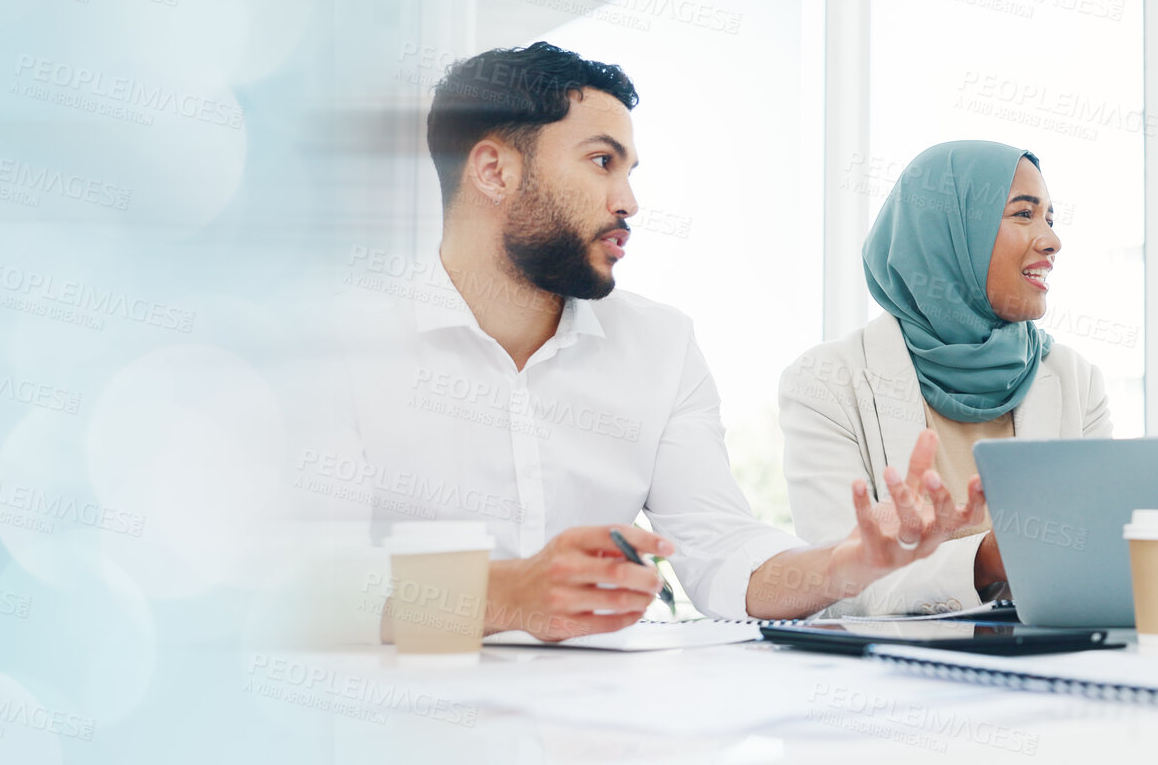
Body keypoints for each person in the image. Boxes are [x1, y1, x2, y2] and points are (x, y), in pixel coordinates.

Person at [338, 41, 985, 642]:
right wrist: (508, 595)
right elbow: (285, 586)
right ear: (492, 170)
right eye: (601, 162)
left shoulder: (661, 344)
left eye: (629, 170)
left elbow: (722, 553)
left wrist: (845, 565)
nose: (628, 201)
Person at [780, 141, 1113, 616]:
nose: (1051, 240)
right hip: (890, 681)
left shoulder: (1076, 380)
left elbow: (1096, 563)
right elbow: (839, 589)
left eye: (1051, 220)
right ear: (950, 233)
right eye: (1024, 214)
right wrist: (985, 561)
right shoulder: (826, 383)